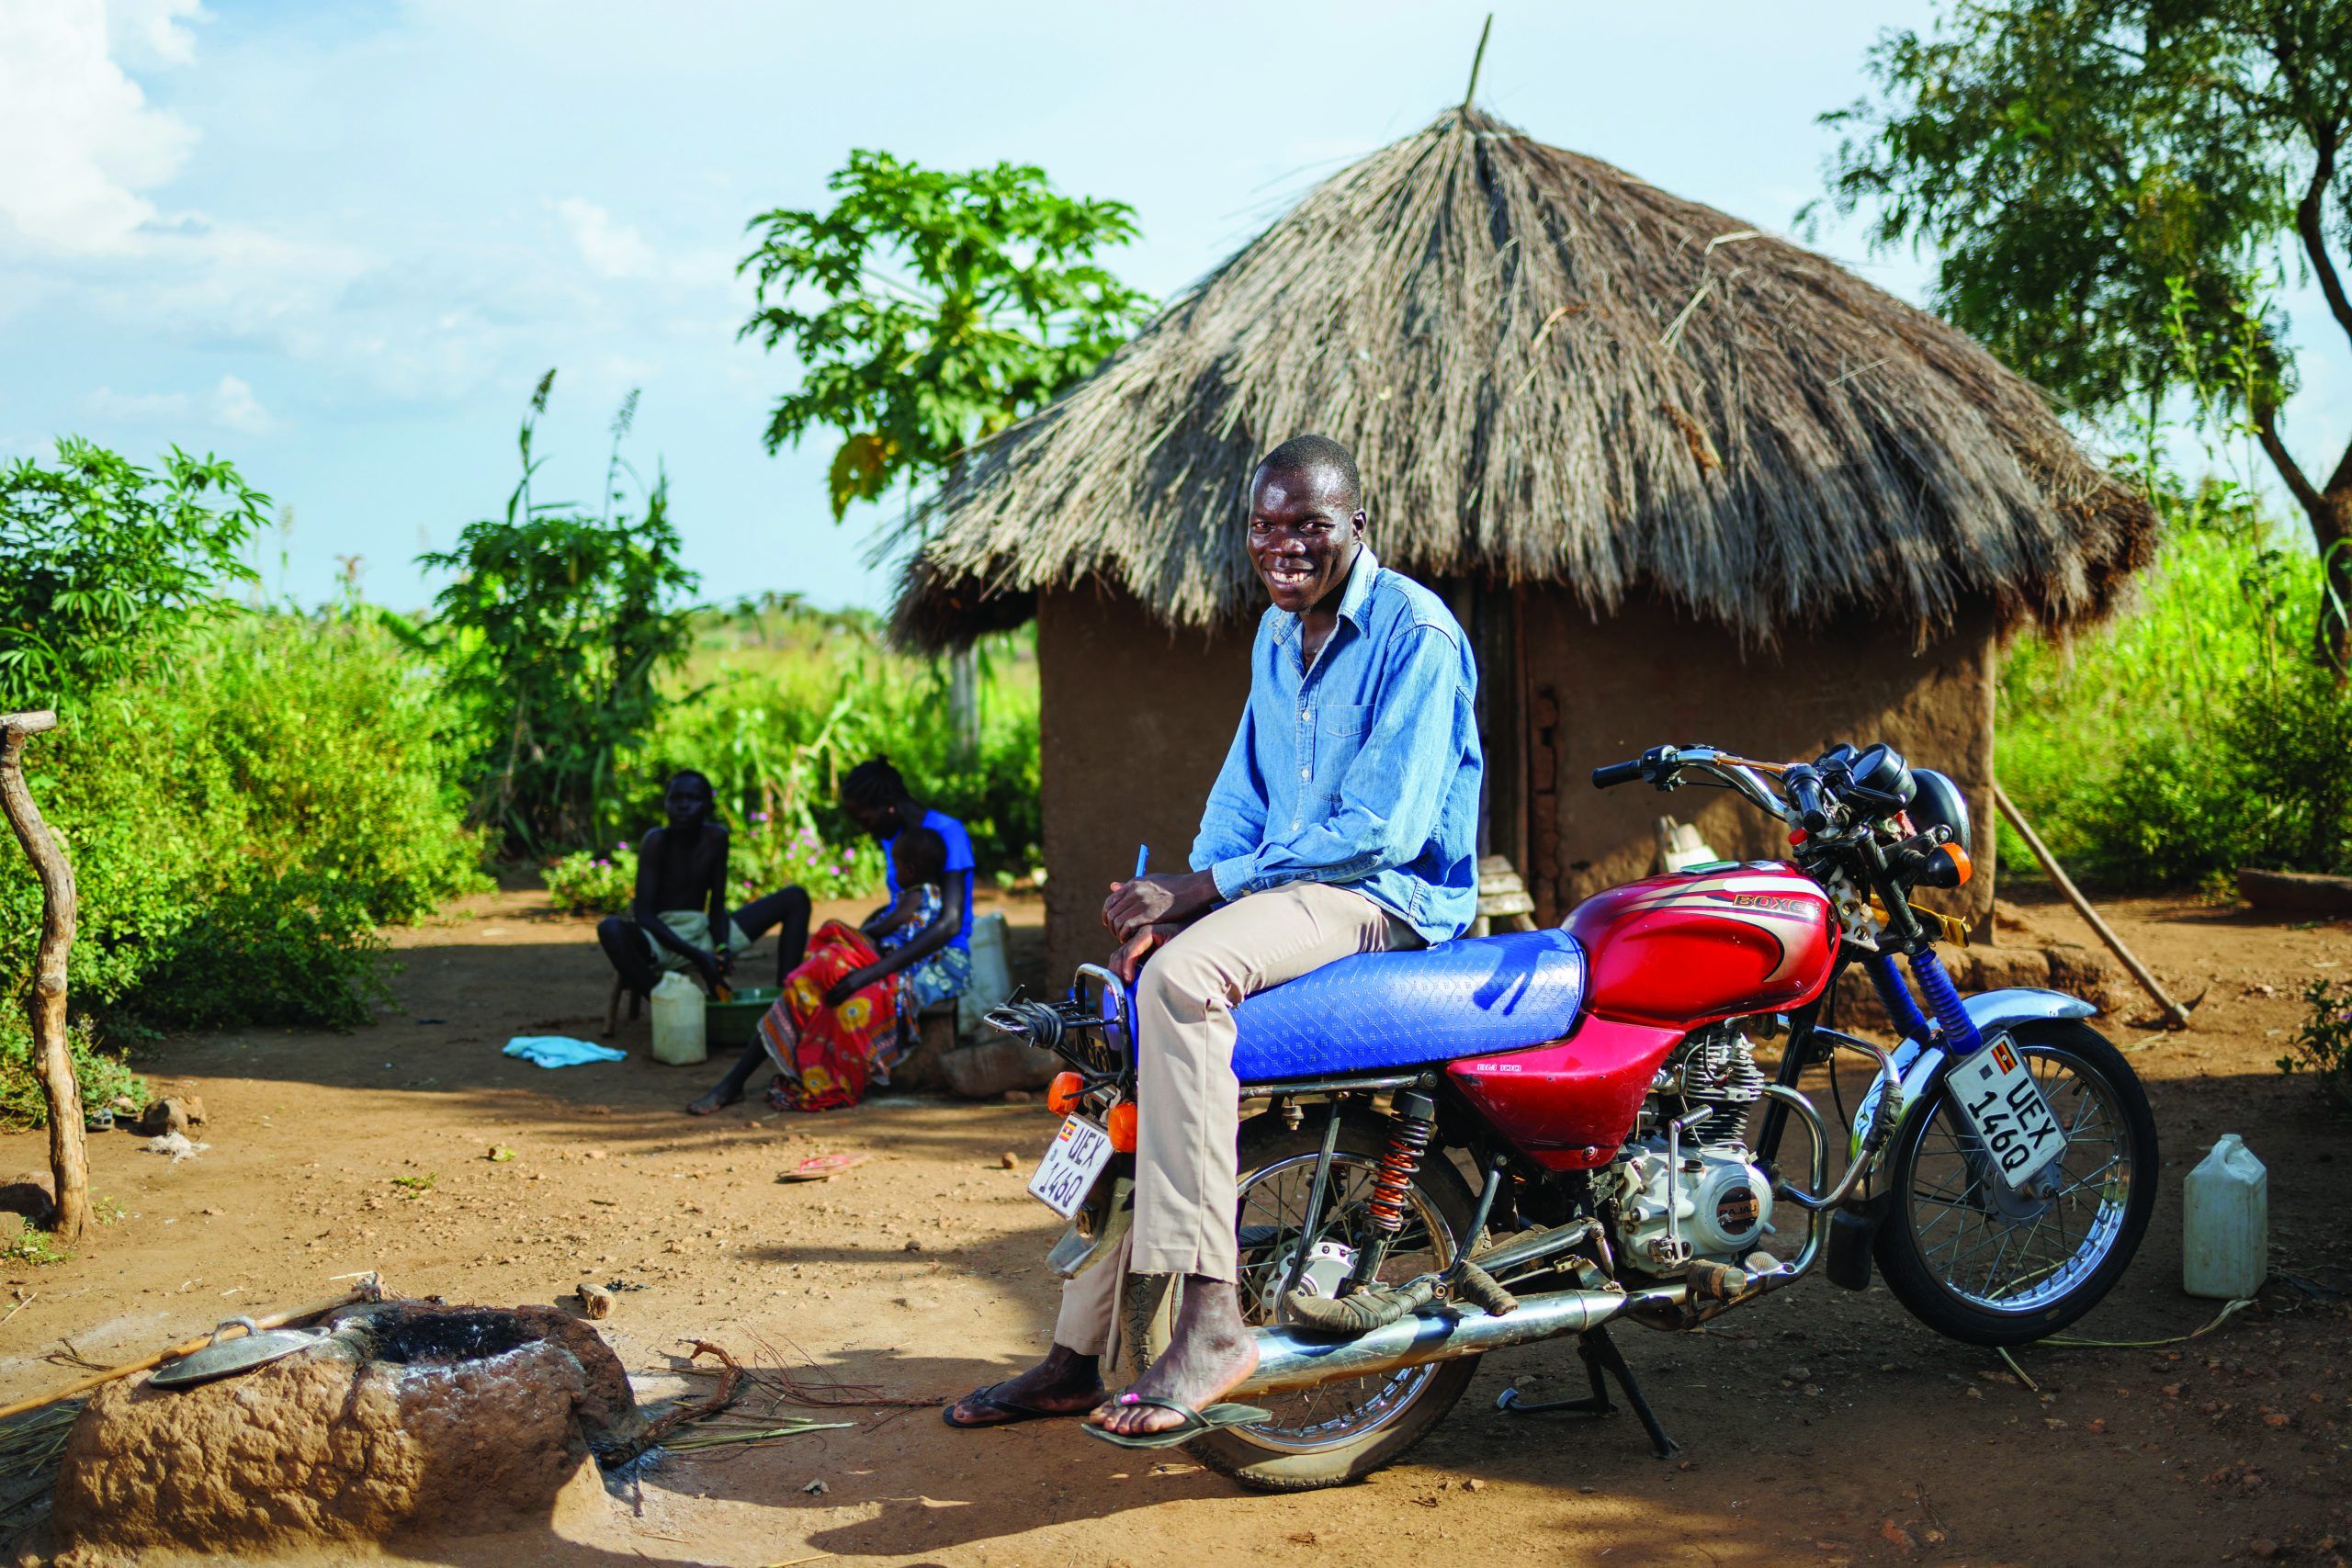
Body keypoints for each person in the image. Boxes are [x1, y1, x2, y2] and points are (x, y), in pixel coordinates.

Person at [945, 434, 1483, 1439]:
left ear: (1358, 526)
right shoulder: (1276, 636)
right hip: (1297, 896)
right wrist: (1175, 904)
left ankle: (1211, 1315)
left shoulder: (1416, 631)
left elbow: (1381, 830)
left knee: (1185, 983)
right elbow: (1242, 799)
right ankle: (1075, 1352)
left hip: (1384, 899)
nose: (1284, 545)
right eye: (1265, 526)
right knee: (1134, 1021)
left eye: (1309, 525)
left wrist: (1199, 892)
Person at [686, 756, 977, 1114]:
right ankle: (735, 1082)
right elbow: (900, 908)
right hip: (896, 951)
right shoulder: (897, 837)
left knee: (851, 996)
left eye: (866, 819)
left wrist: (868, 973)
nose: (865, 830)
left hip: (940, 958)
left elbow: (948, 923)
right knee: (812, 977)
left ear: (888, 805)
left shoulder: (947, 833)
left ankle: (831, 1084)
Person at [761, 825, 974, 1111]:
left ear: (910, 870)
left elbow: (887, 926)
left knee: (832, 945)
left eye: (896, 866)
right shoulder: (938, 895)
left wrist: (861, 933)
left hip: (894, 966)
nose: (893, 873)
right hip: (907, 967)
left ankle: (803, 988)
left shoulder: (914, 895)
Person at [597, 769, 811, 999]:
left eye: (693, 799)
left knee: (795, 898)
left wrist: (722, 948)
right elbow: (644, 915)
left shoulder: (716, 838)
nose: (683, 806)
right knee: (610, 929)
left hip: (703, 933)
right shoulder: (656, 841)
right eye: (676, 798)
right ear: (665, 804)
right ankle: (662, 1000)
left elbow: (717, 907)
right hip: (660, 940)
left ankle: (786, 998)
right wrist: (698, 956)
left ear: (708, 806)